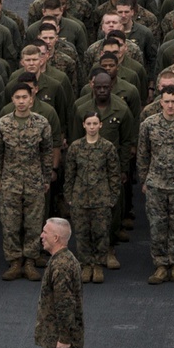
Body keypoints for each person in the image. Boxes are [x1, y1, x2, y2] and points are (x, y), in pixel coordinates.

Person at [0, 83, 54, 282]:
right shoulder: (2, 124)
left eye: (24, 97)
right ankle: (14, 261)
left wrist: (46, 178)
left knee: (34, 224)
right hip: (10, 181)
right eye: (17, 98)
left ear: (31, 99)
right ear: (12, 100)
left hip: (34, 181)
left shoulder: (41, 123)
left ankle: (29, 261)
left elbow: (46, 153)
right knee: (10, 223)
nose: (21, 101)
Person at [136, 86, 174, 285]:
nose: (170, 105)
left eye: (173, 101)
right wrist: (144, 180)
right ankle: (160, 265)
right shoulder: (149, 125)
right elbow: (143, 155)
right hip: (156, 183)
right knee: (157, 224)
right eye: (166, 101)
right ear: (160, 102)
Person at [36, 217, 85, 348]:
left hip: (60, 338)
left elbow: (65, 305)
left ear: (56, 237)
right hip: (60, 335)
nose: (41, 235)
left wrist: (64, 338)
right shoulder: (62, 260)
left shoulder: (61, 265)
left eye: (45, 232)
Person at [64, 112, 120, 284]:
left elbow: (114, 174)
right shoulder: (75, 147)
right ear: (84, 125)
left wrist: (113, 197)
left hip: (101, 198)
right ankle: (85, 264)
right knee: (81, 234)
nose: (92, 127)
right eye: (89, 123)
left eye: (95, 123)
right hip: (80, 198)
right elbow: (69, 174)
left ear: (100, 125)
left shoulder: (107, 147)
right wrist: (69, 196)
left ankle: (98, 265)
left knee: (101, 232)